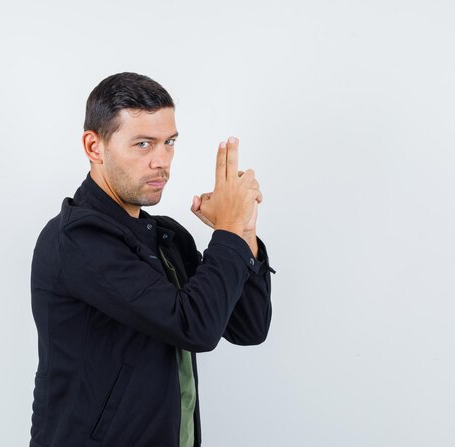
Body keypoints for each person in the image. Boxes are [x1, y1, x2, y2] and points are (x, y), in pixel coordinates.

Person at [29, 72, 274, 447]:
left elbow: (248, 327)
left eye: (169, 142)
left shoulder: (164, 235)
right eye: (143, 144)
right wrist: (226, 229)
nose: (162, 161)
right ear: (94, 146)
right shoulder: (78, 239)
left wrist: (243, 229)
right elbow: (195, 327)